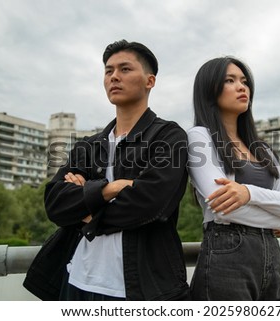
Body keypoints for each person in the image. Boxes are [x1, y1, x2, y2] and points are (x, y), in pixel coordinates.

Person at [41, 40, 189, 300]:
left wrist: (87, 211)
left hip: (142, 288)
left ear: (150, 81)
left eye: (125, 69)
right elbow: (55, 203)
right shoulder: (89, 145)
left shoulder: (168, 136)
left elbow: (152, 204)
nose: (114, 77)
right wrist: (111, 188)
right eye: (108, 71)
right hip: (77, 282)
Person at [187, 56, 280, 301]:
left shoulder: (262, 150)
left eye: (244, 81)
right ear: (210, 89)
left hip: (271, 257)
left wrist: (247, 193)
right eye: (230, 81)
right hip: (227, 256)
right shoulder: (199, 138)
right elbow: (223, 209)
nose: (242, 87)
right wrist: (278, 221)